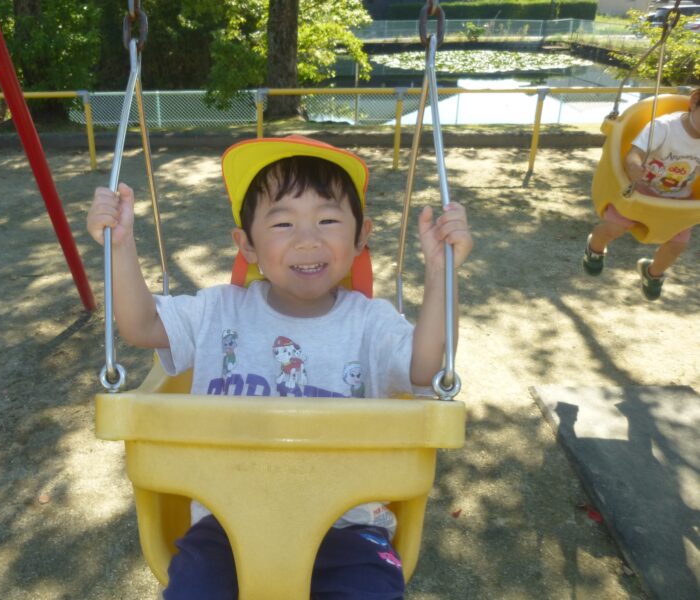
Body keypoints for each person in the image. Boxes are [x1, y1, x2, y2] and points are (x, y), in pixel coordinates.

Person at [86, 135, 473, 600]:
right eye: (283, 222)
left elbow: (428, 368)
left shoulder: (371, 323)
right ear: (246, 245)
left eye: (328, 220)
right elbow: (141, 325)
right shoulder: (217, 312)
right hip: (224, 528)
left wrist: (441, 272)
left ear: (361, 237)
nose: (308, 239)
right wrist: (119, 246)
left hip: (349, 530)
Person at [583, 87, 700, 300]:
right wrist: (634, 166)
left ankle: (652, 273)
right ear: (694, 101)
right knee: (612, 229)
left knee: (678, 244)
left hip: (677, 198)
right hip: (641, 191)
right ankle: (595, 248)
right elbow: (634, 153)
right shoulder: (664, 127)